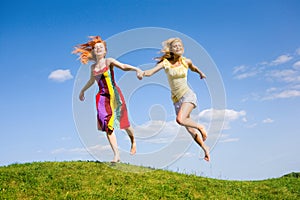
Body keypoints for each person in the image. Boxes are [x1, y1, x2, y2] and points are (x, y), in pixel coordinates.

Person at [138, 38, 210, 161]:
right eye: (175, 46)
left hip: (188, 95)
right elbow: (151, 72)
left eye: (180, 46)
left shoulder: (186, 61)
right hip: (176, 100)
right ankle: (205, 149)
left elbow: (194, 68)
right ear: (171, 50)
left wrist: (201, 73)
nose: (178, 48)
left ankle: (201, 127)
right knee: (190, 129)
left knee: (180, 119)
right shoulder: (166, 63)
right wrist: (142, 73)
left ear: (183, 48)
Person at [73, 36, 142, 163]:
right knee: (107, 126)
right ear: (93, 51)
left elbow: (123, 66)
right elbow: (91, 80)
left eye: (101, 47)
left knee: (124, 124)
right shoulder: (92, 67)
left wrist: (136, 69)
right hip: (102, 98)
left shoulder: (109, 61)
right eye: (96, 47)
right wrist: (83, 90)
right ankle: (116, 155)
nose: (98, 49)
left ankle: (133, 141)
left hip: (115, 95)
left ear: (105, 51)